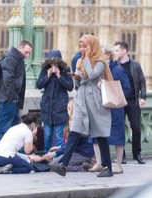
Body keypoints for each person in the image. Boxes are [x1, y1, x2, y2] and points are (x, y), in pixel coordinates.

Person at [49, 34, 114, 177]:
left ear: (93, 46)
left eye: (85, 46)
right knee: (74, 131)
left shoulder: (100, 62)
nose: (83, 49)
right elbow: (78, 84)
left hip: (95, 101)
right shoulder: (80, 61)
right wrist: (77, 78)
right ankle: (63, 165)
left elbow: (92, 75)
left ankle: (108, 167)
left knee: (100, 134)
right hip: (81, 99)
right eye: (81, 46)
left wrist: (85, 62)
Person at [89, 44, 131, 174]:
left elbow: (127, 89)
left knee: (117, 137)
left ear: (107, 55)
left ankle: (118, 165)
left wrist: (107, 87)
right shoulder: (98, 69)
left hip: (114, 108)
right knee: (96, 135)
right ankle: (99, 163)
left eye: (101, 54)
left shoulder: (117, 70)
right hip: (100, 107)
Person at [0, 40, 33, 146]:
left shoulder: (18, 60)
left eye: (29, 53)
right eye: (26, 52)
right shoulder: (10, 59)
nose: (27, 55)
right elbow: (8, 80)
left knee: (17, 129)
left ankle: (15, 154)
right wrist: (12, 97)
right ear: (20, 48)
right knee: (2, 130)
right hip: (8, 100)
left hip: (13, 101)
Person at [113, 41, 147, 164]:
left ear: (124, 51)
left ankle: (137, 154)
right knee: (119, 129)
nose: (115, 53)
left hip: (133, 101)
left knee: (136, 127)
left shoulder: (135, 65)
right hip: (119, 101)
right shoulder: (114, 66)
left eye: (117, 50)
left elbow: (142, 82)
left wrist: (143, 97)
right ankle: (122, 156)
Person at [36, 50, 74, 153]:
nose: (53, 65)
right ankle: (47, 157)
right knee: (47, 135)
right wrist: (47, 76)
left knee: (58, 135)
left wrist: (59, 76)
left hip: (60, 108)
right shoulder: (45, 70)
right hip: (47, 108)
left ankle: (58, 158)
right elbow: (38, 84)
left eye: (56, 63)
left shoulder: (66, 70)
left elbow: (70, 87)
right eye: (51, 63)